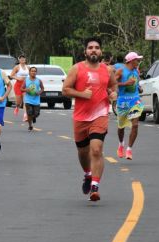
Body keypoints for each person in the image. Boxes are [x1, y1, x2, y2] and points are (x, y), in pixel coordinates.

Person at [62, 37, 117, 201]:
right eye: (90, 47)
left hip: (100, 115)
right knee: (83, 152)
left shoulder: (107, 70)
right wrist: (82, 94)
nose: (94, 50)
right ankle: (87, 174)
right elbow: (65, 90)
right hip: (81, 116)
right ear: (85, 51)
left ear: (101, 52)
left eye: (97, 47)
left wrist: (114, 93)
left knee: (96, 149)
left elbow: (113, 86)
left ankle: (95, 186)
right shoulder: (76, 69)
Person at [115, 52, 144, 160]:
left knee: (135, 125)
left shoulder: (136, 71)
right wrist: (125, 83)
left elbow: (137, 83)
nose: (138, 62)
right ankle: (121, 144)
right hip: (123, 101)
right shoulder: (121, 71)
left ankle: (129, 149)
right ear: (131, 61)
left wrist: (139, 88)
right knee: (121, 126)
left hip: (135, 100)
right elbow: (112, 83)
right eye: (137, 60)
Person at [20, 67, 44, 131]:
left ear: (36, 72)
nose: (33, 72)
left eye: (35, 71)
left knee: (37, 113)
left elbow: (42, 88)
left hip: (36, 100)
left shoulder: (39, 80)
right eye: (32, 71)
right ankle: (30, 125)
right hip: (28, 99)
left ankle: (33, 118)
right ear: (29, 72)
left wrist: (39, 92)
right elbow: (21, 89)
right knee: (29, 113)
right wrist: (26, 90)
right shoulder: (26, 80)